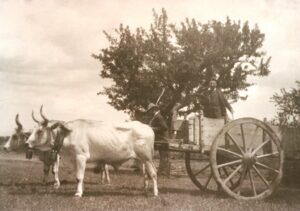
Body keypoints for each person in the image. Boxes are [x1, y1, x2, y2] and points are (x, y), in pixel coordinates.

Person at [147, 103, 171, 176]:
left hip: (162, 139)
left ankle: (163, 173)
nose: (149, 112)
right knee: (163, 156)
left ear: (154, 110)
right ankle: (162, 172)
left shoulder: (158, 117)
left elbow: (164, 128)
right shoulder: (156, 116)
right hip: (160, 139)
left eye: (150, 111)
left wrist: (152, 128)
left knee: (164, 156)